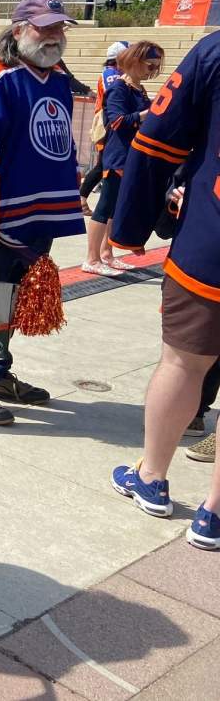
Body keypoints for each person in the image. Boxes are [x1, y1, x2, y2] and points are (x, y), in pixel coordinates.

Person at [0, 0, 86, 426]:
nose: (54, 36)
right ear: (18, 31)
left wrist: (71, 191)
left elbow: (58, 145)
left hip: (39, 215)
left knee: (12, 302)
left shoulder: (59, 79)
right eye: (45, 28)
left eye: (59, 28)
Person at [109, 30, 220, 551]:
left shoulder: (216, 49)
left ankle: (151, 476)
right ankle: (213, 515)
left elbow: (157, 139)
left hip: (211, 244)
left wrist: (128, 227)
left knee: (181, 364)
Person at [82, 41, 161, 276]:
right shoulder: (119, 88)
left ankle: (107, 253)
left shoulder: (137, 90)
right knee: (105, 205)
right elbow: (116, 121)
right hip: (118, 154)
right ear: (134, 62)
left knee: (117, 207)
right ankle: (92, 257)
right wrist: (149, 113)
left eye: (156, 68)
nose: (152, 72)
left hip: (132, 155)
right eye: (149, 66)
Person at [80, 41, 128, 214]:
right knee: (103, 166)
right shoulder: (111, 74)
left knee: (104, 166)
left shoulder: (117, 73)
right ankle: (83, 199)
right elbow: (116, 96)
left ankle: (84, 200)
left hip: (111, 127)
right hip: (107, 127)